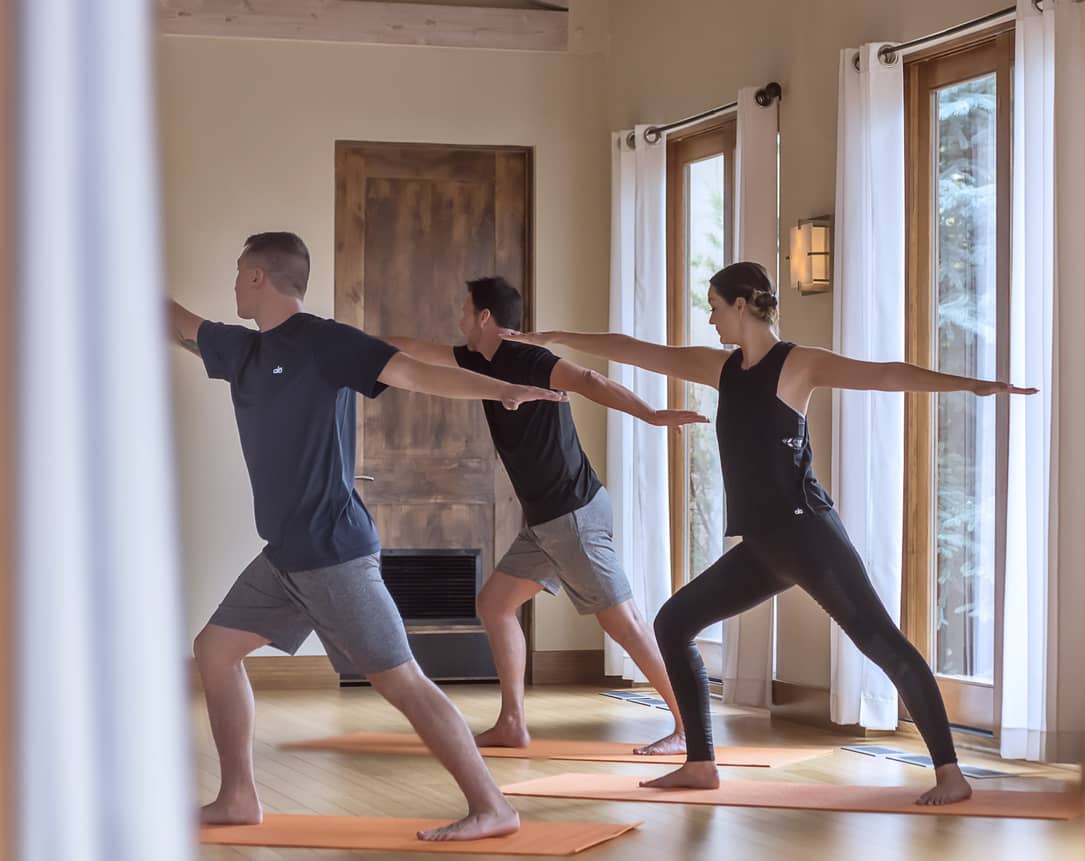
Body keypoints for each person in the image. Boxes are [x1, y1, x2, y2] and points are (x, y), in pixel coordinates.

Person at [497, 261, 1038, 806]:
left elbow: (887, 373)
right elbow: (635, 348)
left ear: (741, 304)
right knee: (675, 622)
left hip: (810, 538)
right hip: (762, 547)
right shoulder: (723, 368)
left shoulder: (797, 364)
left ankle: (950, 772)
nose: (709, 319)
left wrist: (970, 384)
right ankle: (701, 762)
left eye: (713, 306)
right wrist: (555, 337)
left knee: (884, 645)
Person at [171, 232, 563, 841]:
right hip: (285, 556)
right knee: (215, 650)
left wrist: (504, 389)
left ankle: (494, 806)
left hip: (333, 554)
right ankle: (239, 796)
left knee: (400, 681)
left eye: (237, 272)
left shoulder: (326, 341)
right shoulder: (241, 350)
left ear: (257, 278)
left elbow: (416, 374)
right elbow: (177, 323)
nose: (232, 284)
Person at [382, 276, 705, 755]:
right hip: (546, 521)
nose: (459, 319)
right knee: (494, 604)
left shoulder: (529, 360)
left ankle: (688, 730)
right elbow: (413, 350)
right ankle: (513, 722)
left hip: (571, 514)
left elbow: (589, 380)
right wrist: (342, 337)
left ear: (485, 317)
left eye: (465, 310)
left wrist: (652, 415)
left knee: (626, 624)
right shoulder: (476, 360)